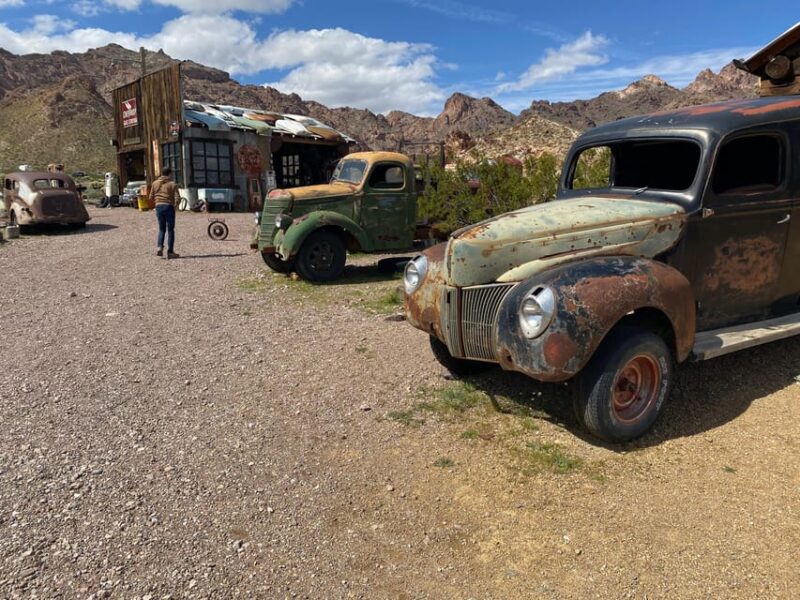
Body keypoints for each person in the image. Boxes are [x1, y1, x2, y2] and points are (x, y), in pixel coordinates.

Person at [149, 167, 181, 259]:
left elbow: (151, 197)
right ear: (169, 174)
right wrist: (175, 206)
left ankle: (159, 247)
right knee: (170, 230)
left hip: (159, 207)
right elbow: (177, 198)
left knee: (161, 229)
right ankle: (170, 252)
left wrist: (157, 201)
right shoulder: (172, 184)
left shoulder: (154, 183)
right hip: (169, 207)